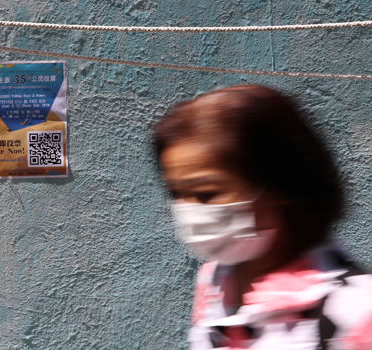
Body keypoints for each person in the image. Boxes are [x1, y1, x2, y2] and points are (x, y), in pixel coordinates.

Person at [152, 85, 372, 349]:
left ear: (279, 184)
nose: (188, 210)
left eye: (207, 193)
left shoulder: (354, 310)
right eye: (176, 192)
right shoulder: (215, 279)